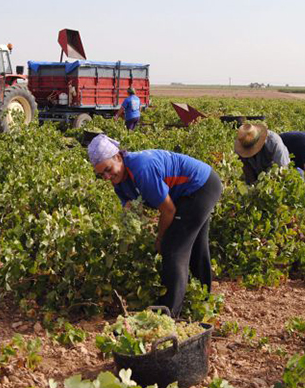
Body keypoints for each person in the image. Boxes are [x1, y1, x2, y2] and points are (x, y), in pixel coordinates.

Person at [87, 134, 222, 317]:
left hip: (201, 187)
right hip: (186, 193)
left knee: (173, 249)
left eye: (108, 170)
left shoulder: (142, 169)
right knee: (195, 244)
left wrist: (159, 238)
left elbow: (168, 210)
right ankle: (204, 301)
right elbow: (132, 208)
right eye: (101, 174)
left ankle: (169, 314)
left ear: (118, 157)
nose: (107, 176)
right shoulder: (118, 181)